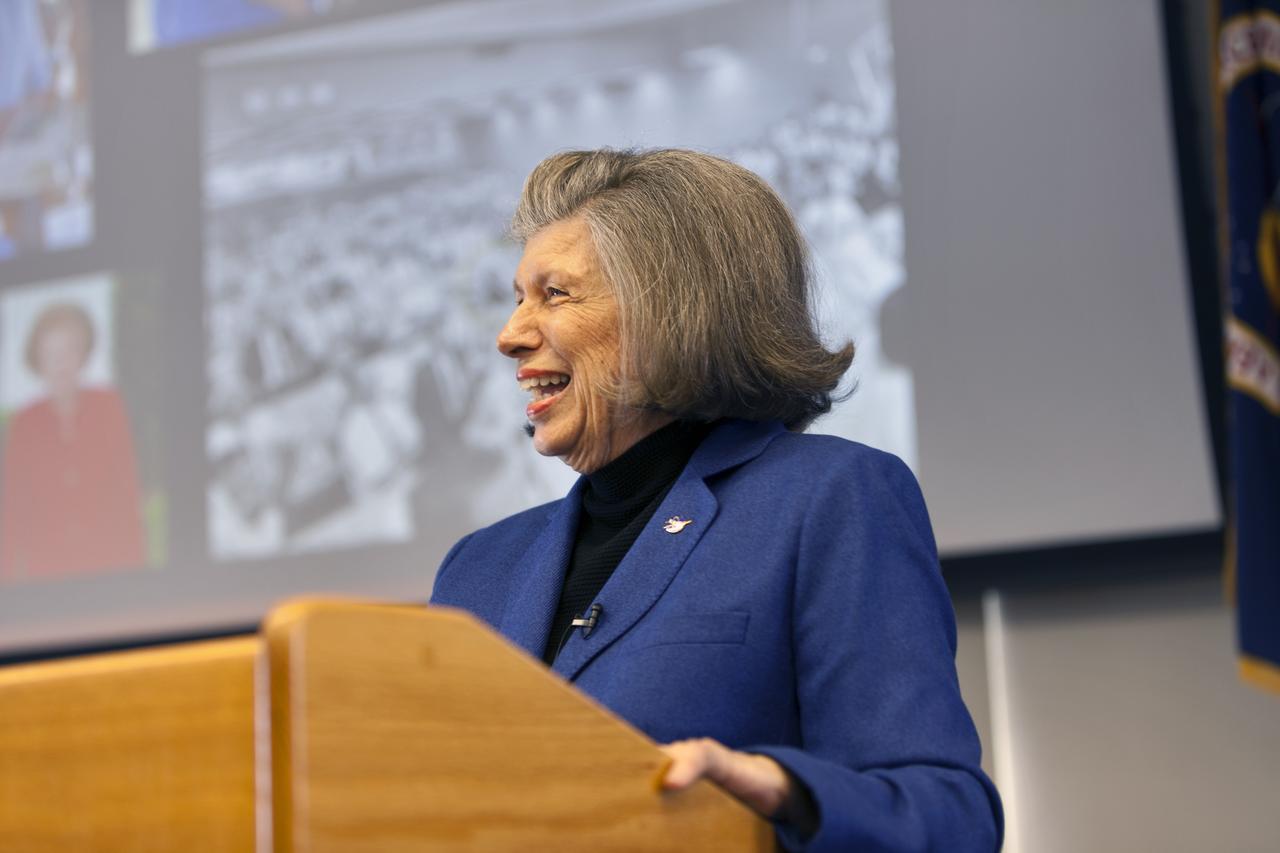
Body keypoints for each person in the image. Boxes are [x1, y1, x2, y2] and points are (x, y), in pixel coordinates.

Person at [430, 149, 1002, 851]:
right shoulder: (476, 569)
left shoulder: (829, 501)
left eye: (555, 295)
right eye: (517, 298)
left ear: (671, 310)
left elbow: (950, 817)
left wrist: (784, 793)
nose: (509, 334)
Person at [0, 302, 146, 581]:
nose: (61, 364)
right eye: (51, 354)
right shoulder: (23, 424)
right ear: (38, 360)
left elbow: (127, 494)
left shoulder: (109, 407)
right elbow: (12, 511)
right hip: (46, 577)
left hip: (110, 569)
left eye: (69, 351)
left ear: (83, 355)